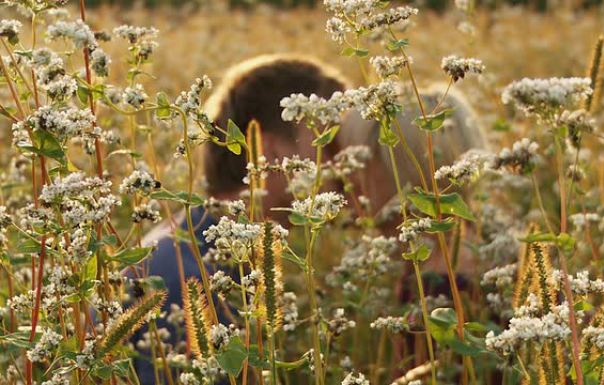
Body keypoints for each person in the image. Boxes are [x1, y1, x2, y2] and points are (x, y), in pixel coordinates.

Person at [130, 54, 488, 383]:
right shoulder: (191, 278)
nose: (346, 169)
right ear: (265, 153)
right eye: (330, 145)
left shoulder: (195, 244)